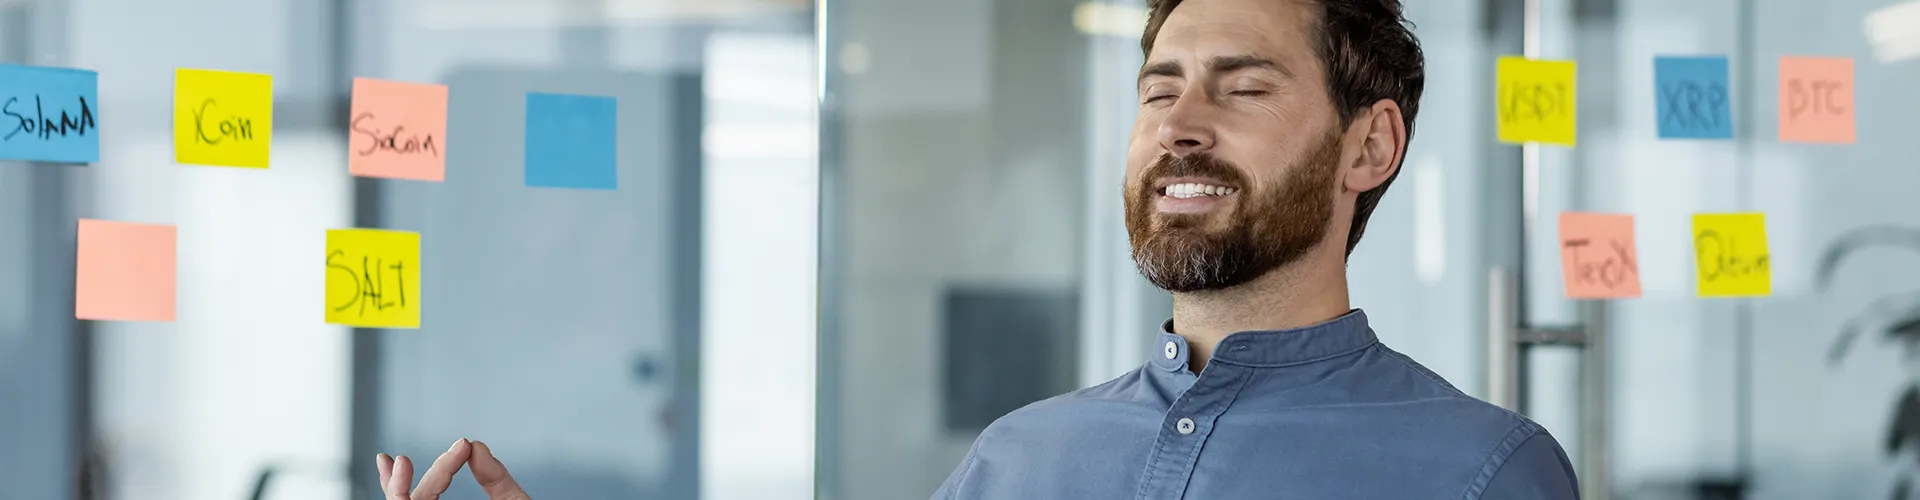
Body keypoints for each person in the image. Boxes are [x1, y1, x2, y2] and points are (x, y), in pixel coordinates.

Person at [930, 0, 1580, 498]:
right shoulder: (1009, 462)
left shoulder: (1481, 470)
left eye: (1244, 89)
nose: (1177, 127)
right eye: (1159, 93)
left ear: (1369, 146)